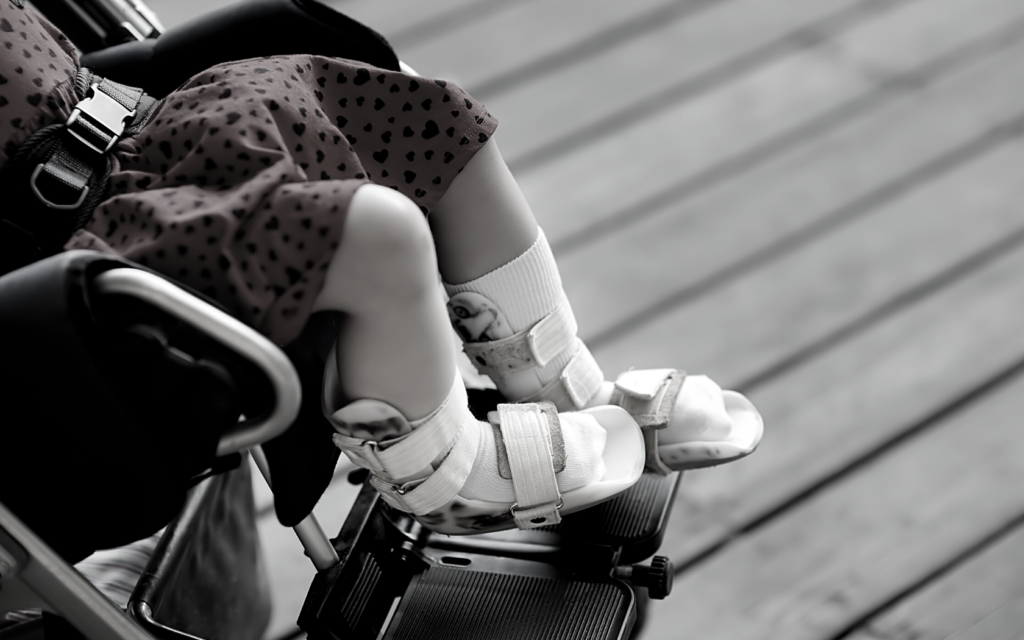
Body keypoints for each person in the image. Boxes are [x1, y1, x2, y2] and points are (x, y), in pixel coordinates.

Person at [0, 0, 762, 536]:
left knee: (432, 120)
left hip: (129, 123)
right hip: (70, 260)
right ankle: (447, 476)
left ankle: (565, 384)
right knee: (373, 231)